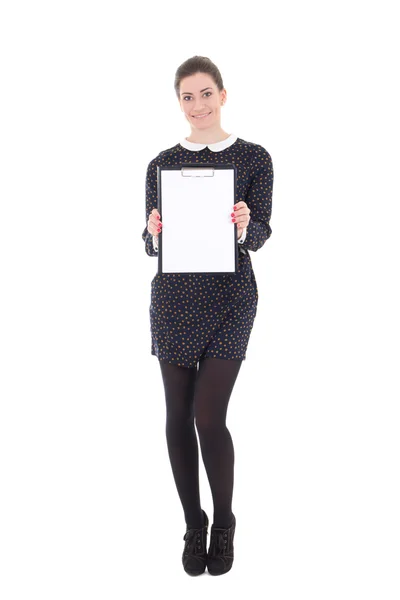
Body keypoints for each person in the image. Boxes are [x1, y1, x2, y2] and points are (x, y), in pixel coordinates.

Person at [142, 56, 274, 576]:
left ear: (223, 94)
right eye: (187, 97)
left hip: (230, 298)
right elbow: (148, 243)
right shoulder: (160, 163)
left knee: (206, 416)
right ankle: (192, 523)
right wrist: (153, 230)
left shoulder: (255, 158)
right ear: (179, 101)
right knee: (177, 416)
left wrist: (244, 223)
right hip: (173, 299)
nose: (197, 105)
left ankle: (224, 521)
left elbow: (261, 231)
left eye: (205, 94)